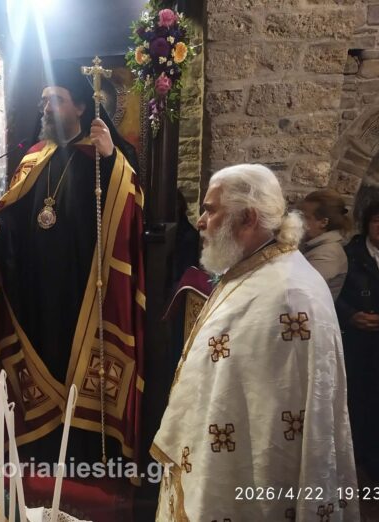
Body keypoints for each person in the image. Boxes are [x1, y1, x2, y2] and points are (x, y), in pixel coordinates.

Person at [152, 164, 358, 521]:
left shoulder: (290, 295)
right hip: (215, 453)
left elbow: (282, 418)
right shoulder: (253, 268)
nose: (200, 221)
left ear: (247, 218)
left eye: (211, 210)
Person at [0, 61, 145, 465]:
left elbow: (131, 208)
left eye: (57, 100)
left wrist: (110, 158)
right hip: (37, 283)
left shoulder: (102, 156)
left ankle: (84, 452)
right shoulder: (34, 157)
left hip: (85, 283)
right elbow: (18, 211)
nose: (47, 107)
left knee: (77, 359)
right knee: (43, 354)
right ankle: (42, 447)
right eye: (45, 100)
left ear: (80, 107)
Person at [336, 198, 379, 481]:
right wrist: (350, 315)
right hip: (354, 342)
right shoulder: (349, 254)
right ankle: (350, 460)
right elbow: (331, 292)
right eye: (377, 220)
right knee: (352, 402)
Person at [298, 189, 351, 300]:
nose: (298, 222)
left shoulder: (328, 255)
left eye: (305, 217)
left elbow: (298, 290)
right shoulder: (312, 245)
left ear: (323, 222)